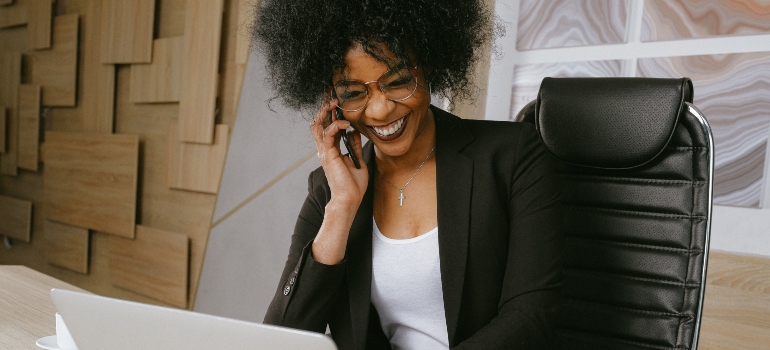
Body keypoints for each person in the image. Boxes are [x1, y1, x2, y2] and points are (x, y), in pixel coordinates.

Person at [255, 0, 562, 349]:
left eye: (398, 81)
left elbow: (531, 317)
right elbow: (280, 338)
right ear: (333, 98)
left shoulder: (512, 156)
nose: (381, 109)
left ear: (427, 65)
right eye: (354, 93)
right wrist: (342, 206)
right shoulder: (330, 188)